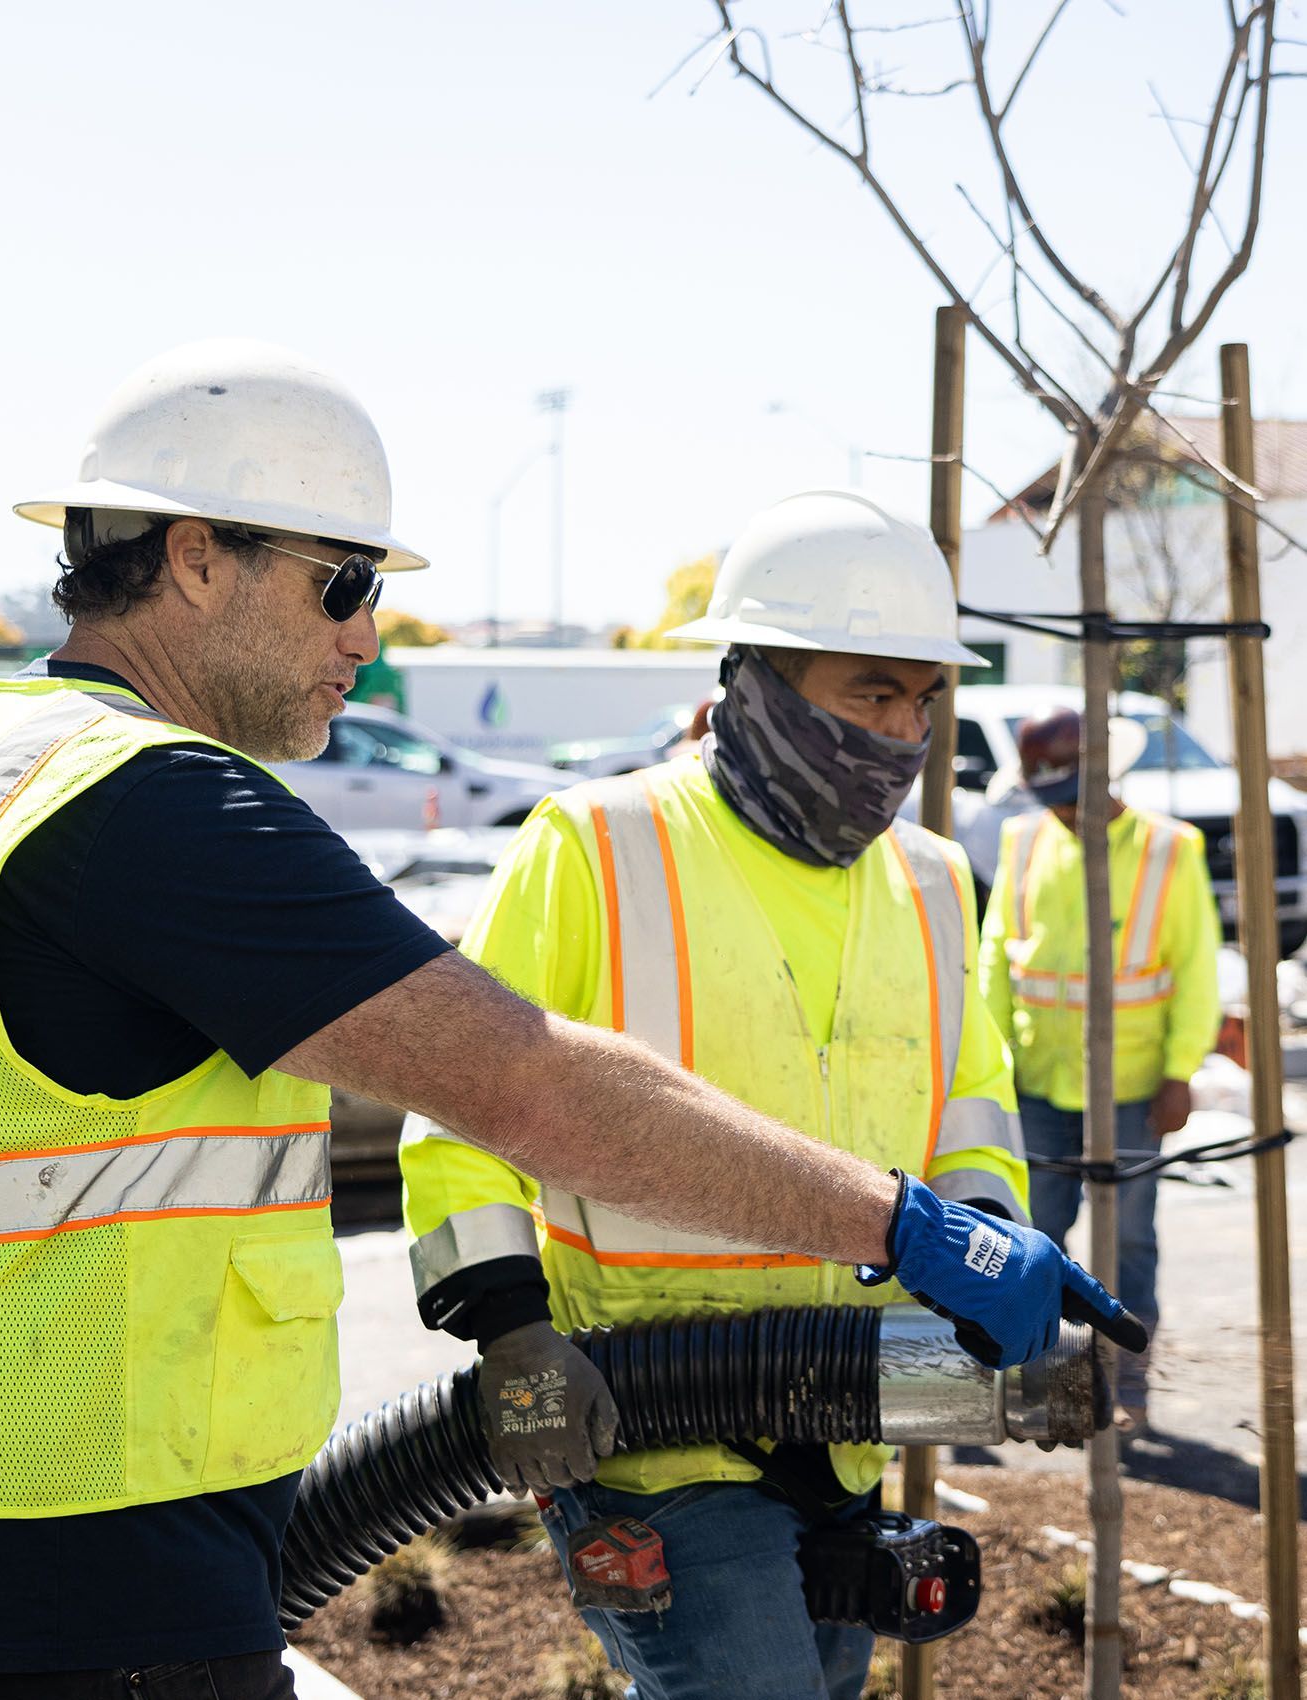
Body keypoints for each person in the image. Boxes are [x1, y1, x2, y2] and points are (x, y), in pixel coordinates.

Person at [0, 347, 1139, 1700]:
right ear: (198, 557)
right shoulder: (153, 811)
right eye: (345, 583)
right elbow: (526, 1086)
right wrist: (909, 1226)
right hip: (72, 1564)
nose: (365, 636)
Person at [399, 491, 1091, 1700]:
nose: (902, 728)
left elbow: (969, 1095)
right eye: (869, 691)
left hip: (853, 1412)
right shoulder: (596, 842)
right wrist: (511, 1334)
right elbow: (462, 1106)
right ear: (756, 681)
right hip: (644, 1428)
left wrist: (982, 1255)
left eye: (924, 697)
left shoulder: (931, 879)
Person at [979, 706, 1221, 1433]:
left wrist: (1180, 1071)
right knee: (1035, 1236)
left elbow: (1197, 967)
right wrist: (993, 1076)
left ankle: (1129, 1382)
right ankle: (1054, 1388)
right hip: (1040, 1084)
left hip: (1133, 1087)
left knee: (1130, 1240)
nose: (1056, 810)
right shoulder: (1022, 841)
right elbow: (996, 960)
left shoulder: (1169, 849)